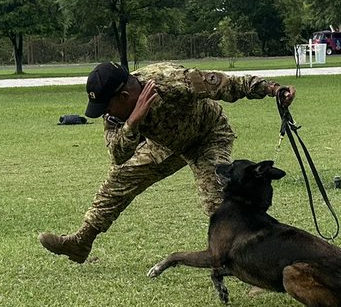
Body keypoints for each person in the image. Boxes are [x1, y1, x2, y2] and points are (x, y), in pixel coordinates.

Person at [38, 62, 295, 263]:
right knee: (119, 180)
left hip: (207, 136)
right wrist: (132, 123)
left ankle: (259, 259)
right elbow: (118, 155)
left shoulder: (171, 81)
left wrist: (273, 89)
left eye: (107, 107)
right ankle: (80, 243)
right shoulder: (116, 114)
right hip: (165, 144)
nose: (106, 113)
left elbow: (227, 84)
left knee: (218, 201)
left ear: (125, 95)